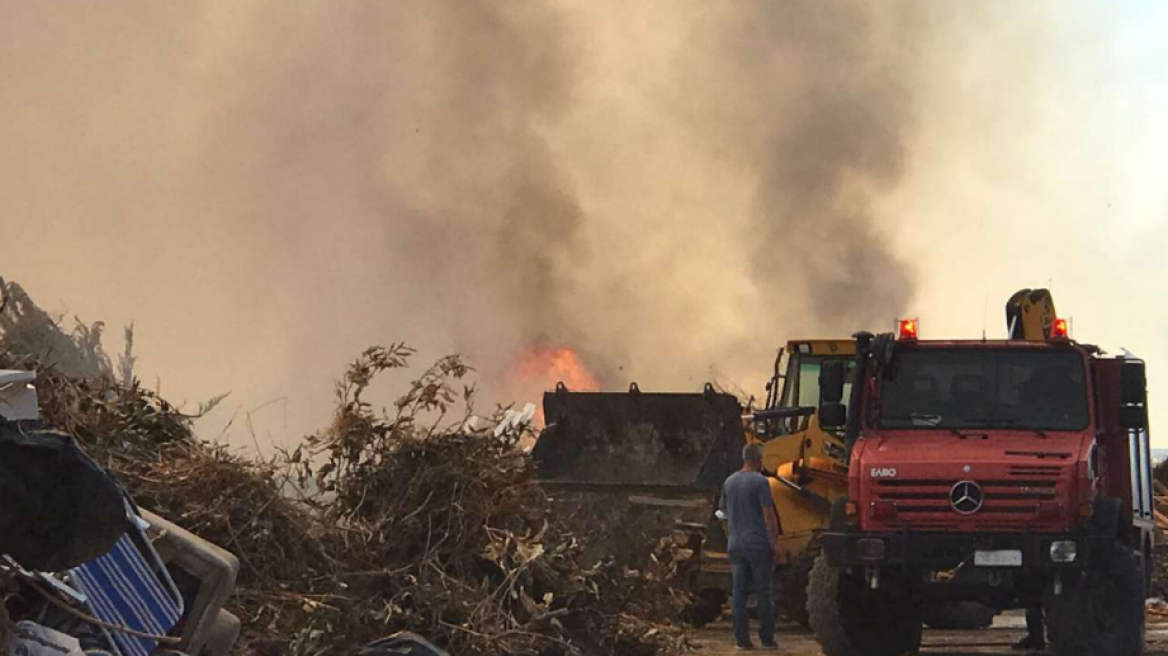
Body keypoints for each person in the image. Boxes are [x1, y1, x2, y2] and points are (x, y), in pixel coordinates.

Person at [719, 442, 781, 651]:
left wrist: (730, 537)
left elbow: (723, 515)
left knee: (738, 593)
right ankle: (767, 639)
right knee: (763, 592)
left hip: (735, 545)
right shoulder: (760, 482)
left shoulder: (729, 482)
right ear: (759, 459)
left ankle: (742, 640)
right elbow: (768, 515)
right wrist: (774, 543)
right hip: (757, 544)